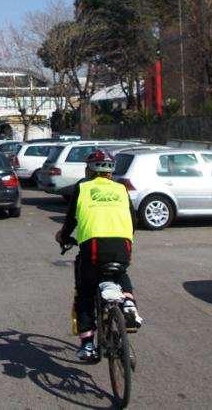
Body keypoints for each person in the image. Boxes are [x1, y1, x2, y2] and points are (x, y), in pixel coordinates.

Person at [56, 150, 143, 361]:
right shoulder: (122, 189)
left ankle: (87, 345)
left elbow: (71, 219)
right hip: (122, 244)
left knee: (85, 293)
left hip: (93, 246)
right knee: (120, 270)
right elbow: (133, 219)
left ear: (89, 170)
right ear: (110, 173)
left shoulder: (83, 187)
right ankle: (129, 304)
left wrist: (63, 236)